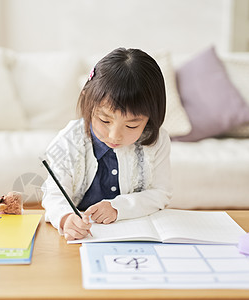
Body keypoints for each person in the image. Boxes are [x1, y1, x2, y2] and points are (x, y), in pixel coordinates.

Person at [41, 47, 172, 241]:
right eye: (104, 120)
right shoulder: (70, 140)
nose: (115, 135)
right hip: (84, 237)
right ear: (88, 102)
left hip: (135, 233)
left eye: (131, 125)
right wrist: (66, 218)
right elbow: (53, 194)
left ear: (150, 118)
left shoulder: (156, 141)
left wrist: (119, 208)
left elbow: (161, 193)